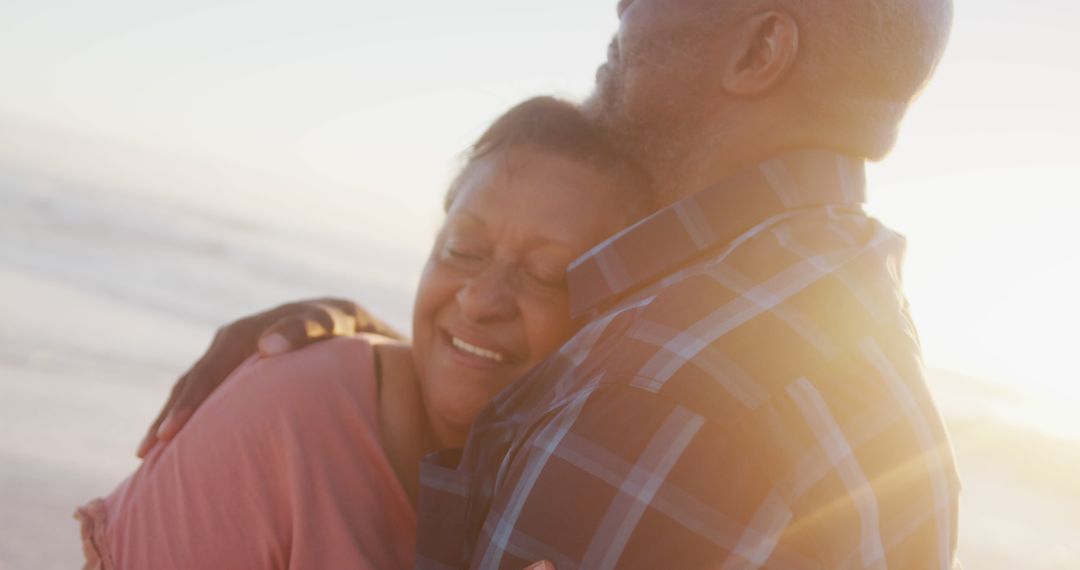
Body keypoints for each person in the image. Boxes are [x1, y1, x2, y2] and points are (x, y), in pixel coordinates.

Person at [140, 0, 962, 567]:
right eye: (463, 251)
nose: (621, 8)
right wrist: (383, 370)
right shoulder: (864, 329)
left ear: (759, 51)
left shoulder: (659, 386)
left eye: (545, 271)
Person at [75, 97, 654, 569]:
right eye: (463, 250)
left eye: (545, 275)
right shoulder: (291, 412)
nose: (480, 300)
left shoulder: (589, 486)